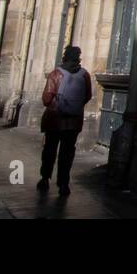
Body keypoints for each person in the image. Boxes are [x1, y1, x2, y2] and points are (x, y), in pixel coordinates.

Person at [39, 46, 93, 197]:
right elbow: (87, 96)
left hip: (55, 120)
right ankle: (63, 184)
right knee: (67, 153)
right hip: (74, 122)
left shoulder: (55, 74)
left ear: (64, 57)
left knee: (50, 150)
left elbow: (46, 98)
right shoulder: (85, 75)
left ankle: (44, 178)